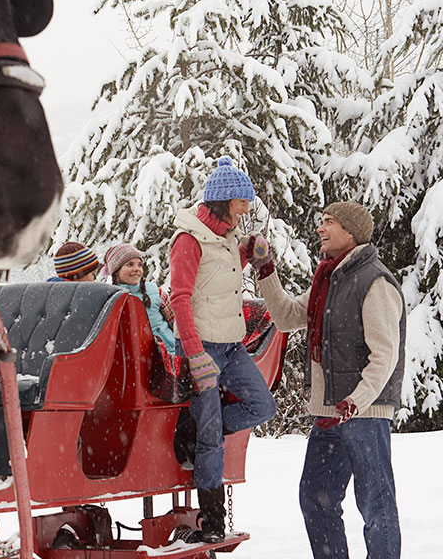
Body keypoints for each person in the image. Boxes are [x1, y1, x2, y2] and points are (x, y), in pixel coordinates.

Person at [248, 201, 404, 559]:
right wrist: (265, 268)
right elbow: (287, 317)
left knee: (376, 505)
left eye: (329, 222)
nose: (320, 228)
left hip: (365, 411)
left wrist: (357, 401)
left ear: (350, 232)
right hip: (333, 412)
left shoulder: (374, 281)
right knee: (316, 497)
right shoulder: (328, 281)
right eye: (320, 221)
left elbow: (385, 354)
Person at [168, 156, 276, 543]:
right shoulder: (188, 240)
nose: (247, 209)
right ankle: (212, 522)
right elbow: (179, 299)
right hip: (203, 348)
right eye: (242, 202)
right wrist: (195, 356)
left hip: (230, 345)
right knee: (213, 439)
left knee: (262, 406)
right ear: (224, 201)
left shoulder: (224, 237)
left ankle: (194, 428)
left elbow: (221, 274)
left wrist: (248, 250)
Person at [100, 243, 176, 354]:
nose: (136, 269)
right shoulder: (111, 299)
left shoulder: (155, 292)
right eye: (130, 264)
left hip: (169, 353)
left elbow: (174, 321)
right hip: (138, 361)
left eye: (139, 265)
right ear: (116, 271)